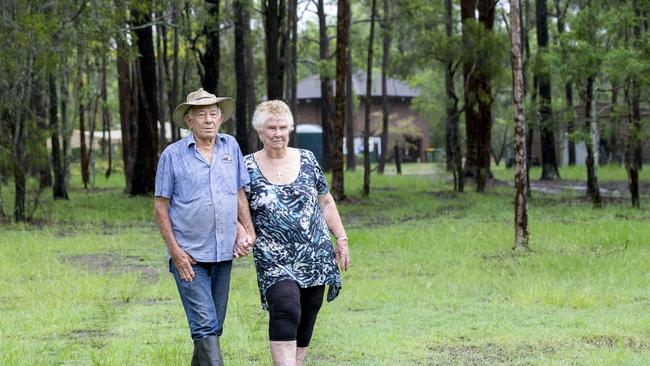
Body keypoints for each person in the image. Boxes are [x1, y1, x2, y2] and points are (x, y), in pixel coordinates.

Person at [243, 100, 350, 366]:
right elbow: (236, 207)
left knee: (309, 310)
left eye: (282, 127)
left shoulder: (307, 159)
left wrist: (342, 238)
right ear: (259, 132)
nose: (277, 133)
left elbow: (325, 201)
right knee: (286, 307)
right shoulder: (246, 167)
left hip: (315, 252)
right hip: (273, 255)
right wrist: (241, 231)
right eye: (271, 128)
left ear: (289, 129)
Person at [154, 88, 255, 366]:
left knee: (212, 328)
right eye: (201, 115)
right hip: (189, 256)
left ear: (221, 117)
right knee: (205, 326)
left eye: (213, 114)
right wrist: (175, 252)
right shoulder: (172, 155)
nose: (208, 120)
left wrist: (248, 230)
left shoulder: (230, 147)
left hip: (223, 253)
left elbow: (238, 193)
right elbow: (161, 207)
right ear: (189, 121)